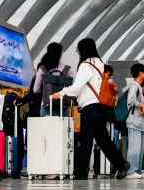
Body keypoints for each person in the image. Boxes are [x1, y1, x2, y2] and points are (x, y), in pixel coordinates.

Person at [51, 38, 128, 179]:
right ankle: (122, 164)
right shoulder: (101, 64)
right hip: (102, 107)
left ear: (83, 50)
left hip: (90, 107)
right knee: (103, 140)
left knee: (86, 140)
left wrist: (61, 93)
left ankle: (81, 173)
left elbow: (76, 88)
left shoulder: (86, 65)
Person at [124, 63, 144, 179]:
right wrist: (141, 105)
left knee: (139, 148)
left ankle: (137, 170)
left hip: (138, 122)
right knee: (134, 147)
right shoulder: (134, 85)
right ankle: (131, 171)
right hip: (134, 122)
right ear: (140, 73)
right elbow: (131, 100)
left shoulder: (137, 86)